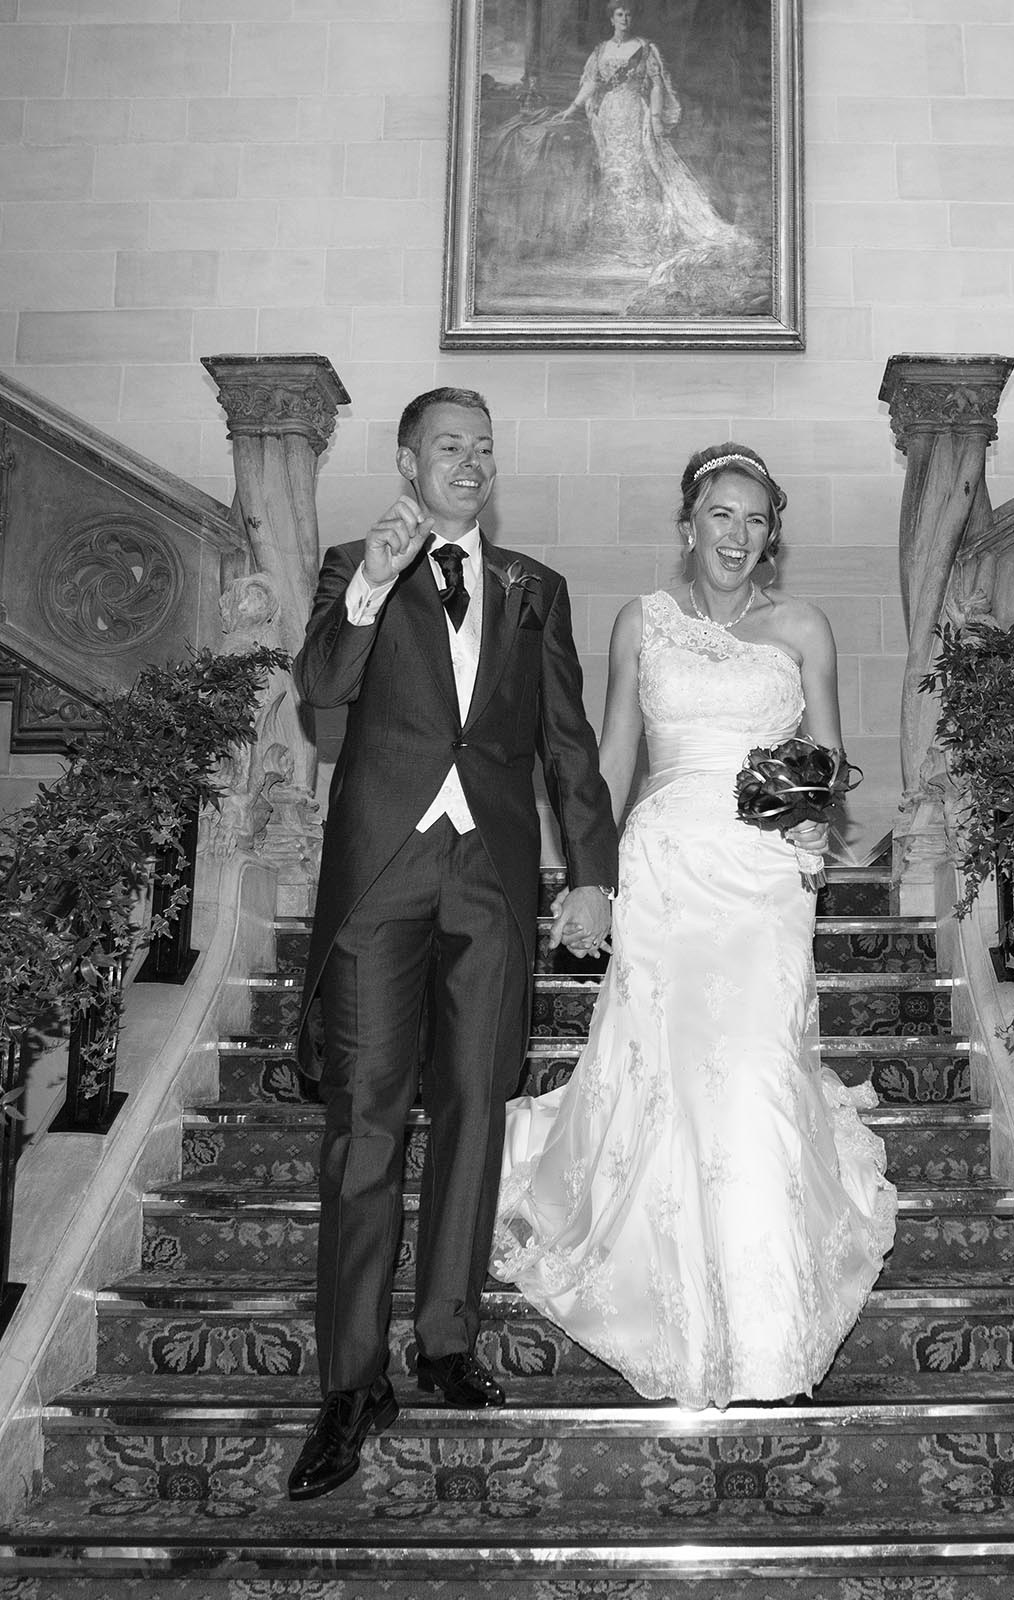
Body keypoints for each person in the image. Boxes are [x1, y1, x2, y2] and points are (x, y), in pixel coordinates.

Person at [491, 443, 898, 1410]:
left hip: (761, 878)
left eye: (757, 520)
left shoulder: (804, 627)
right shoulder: (644, 622)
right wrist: (592, 878)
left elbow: (828, 759)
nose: (738, 535)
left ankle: (763, 1329)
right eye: (722, 514)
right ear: (689, 526)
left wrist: (808, 818)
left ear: (772, 541)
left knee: (753, 1072)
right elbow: (608, 759)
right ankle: (673, 1305)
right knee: (669, 1080)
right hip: (667, 867)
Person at [286, 387, 619, 1499]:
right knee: (365, 1127)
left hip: (489, 885)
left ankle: (443, 1341)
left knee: (478, 1109)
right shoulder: (351, 565)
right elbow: (322, 687)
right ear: (406, 460)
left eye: (484, 446)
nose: (469, 462)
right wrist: (375, 582)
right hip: (381, 880)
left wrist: (594, 875)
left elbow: (569, 746)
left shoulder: (537, 590)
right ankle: (349, 1383)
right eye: (448, 447)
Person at [552, 2, 747, 266]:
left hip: (634, 114)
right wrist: (572, 108)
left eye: (629, 14)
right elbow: (592, 83)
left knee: (637, 171)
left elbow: (656, 86)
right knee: (613, 172)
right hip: (609, 117)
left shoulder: (645, 48)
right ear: (611, 19)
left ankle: (640, 240)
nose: (625, 19)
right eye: (620, 14)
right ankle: (613, 240)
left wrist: (655, 118)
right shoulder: (601, 50)